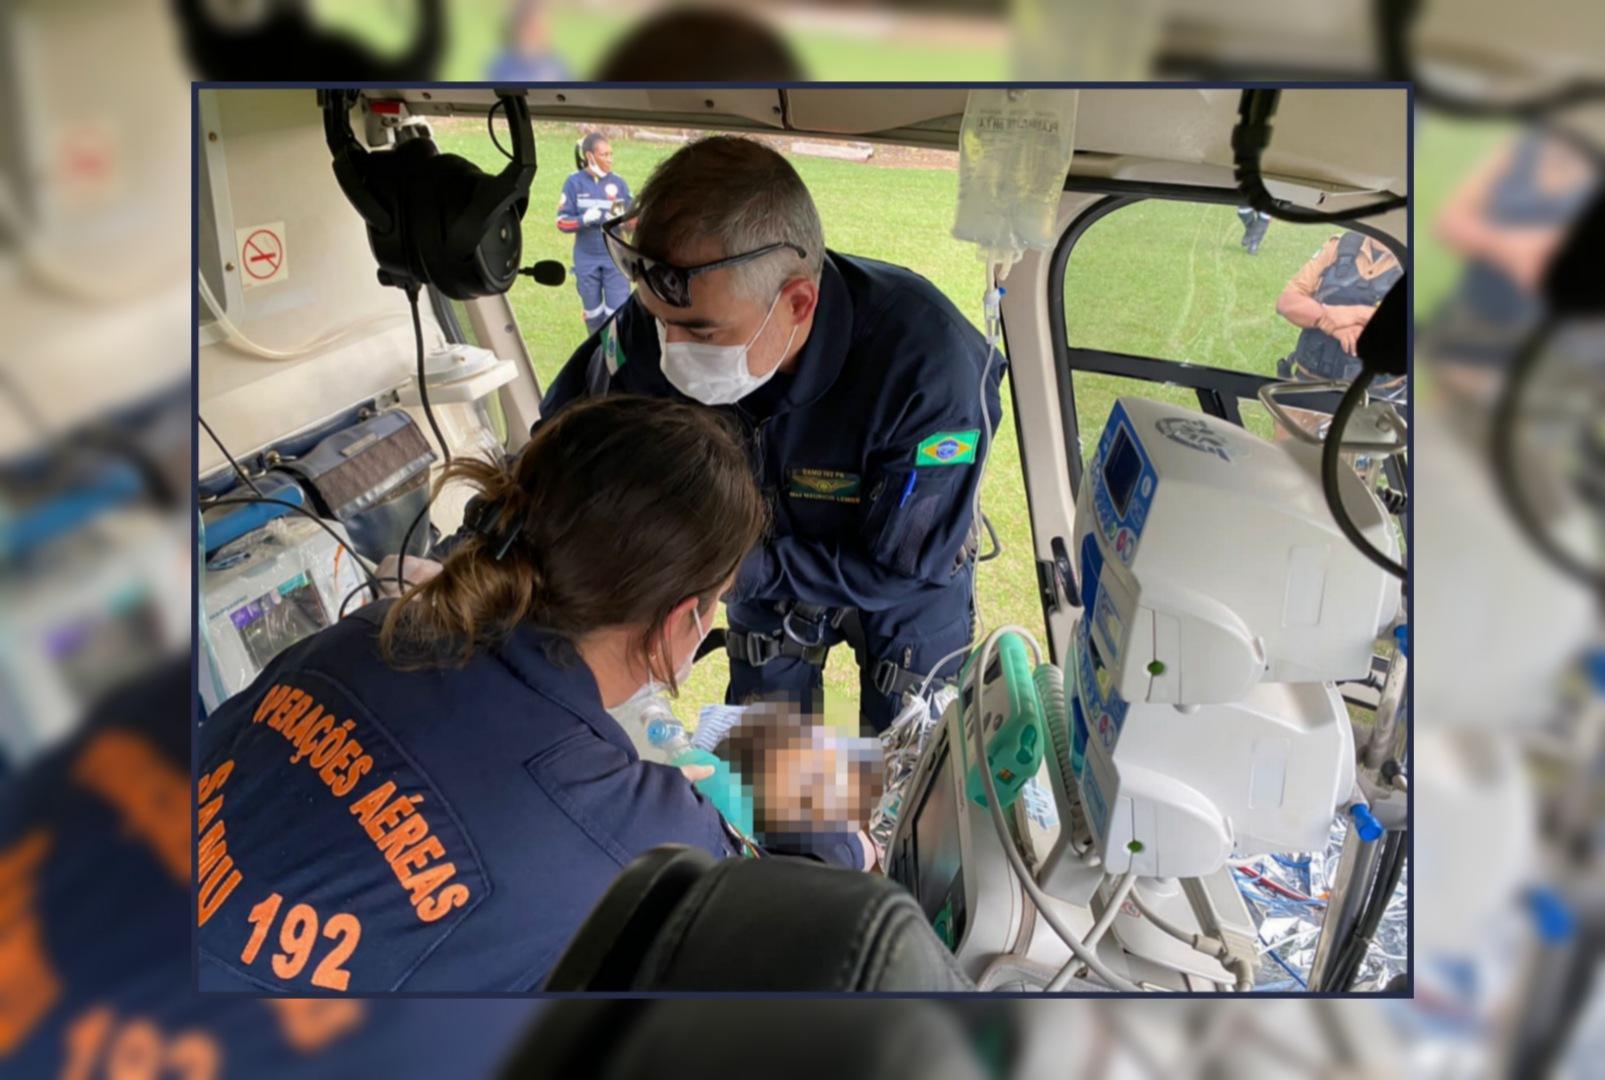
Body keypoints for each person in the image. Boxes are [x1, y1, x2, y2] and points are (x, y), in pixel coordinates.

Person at [195, 396, 868, 994]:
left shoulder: (371, 631)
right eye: (714, 605)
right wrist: (843, 848)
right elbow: (781, 942)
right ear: (678, 622)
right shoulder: (633, 835)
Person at [542, 135, 1003, 737]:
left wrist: (733, 567)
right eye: (661, 324)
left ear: (798, 302)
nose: (671, 354)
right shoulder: (663, 312)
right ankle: (801, 835)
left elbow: (902, 569)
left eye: (702, 334)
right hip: (754, 557)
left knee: (909, 758)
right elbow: (562, 442)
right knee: (773, 775)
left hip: (899, 565)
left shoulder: (927, 367)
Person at [1272, 230, 1405, 436]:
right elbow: (1287, 302)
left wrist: (1356, 314)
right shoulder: (1338, 246)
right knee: (1285, 460)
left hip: (1371, 404)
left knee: (1344, 468)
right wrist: (1330, 321)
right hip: (1307, 389)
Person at [558, 133, 633, 334]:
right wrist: (584, 219)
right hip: (586, 259)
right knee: (593, 315)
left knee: (616, 314)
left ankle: (616, 359)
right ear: (590, 156)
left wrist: (624, 219)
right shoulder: (573, 183)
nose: (610, 159)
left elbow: (631, 221)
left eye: (611, 154)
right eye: (604, 154)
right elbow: (562, 223)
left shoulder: (619, 184)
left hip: (614, 258)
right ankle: (597, 353)